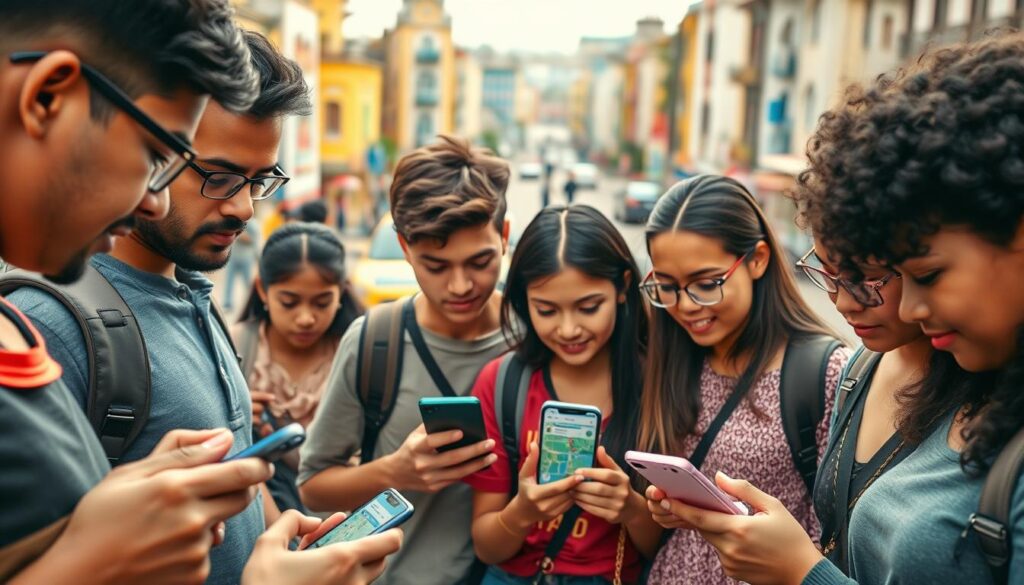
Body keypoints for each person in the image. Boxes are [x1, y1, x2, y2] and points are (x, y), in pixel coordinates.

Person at [5, 30, 402, 584]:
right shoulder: (50, 327)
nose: (243, 208)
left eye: (259, 181)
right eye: (219, 177)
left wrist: (284, 540)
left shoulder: (195, 295)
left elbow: (235, 480)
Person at [657, 35, 1024, 585]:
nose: (912, 307)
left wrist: (803, 573)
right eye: (827, 274)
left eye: (924, 275)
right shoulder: (862, 371)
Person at [0, 0, 274, 581]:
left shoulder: (16, 333)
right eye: (156, 155)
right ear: (46, 98)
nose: (156, 201)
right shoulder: (46, 319)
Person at [299, 135, 513, 585]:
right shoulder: (376, 341)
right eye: (436, 266)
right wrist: (394, 471)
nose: (460, 286)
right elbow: (313, 486)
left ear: (505, 236)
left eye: (479, 262)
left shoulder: (536, 339)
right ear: (404, 246)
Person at [636, 176, 849, 584]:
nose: (685, 305)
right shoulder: (672, 355)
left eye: (706, 284)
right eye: (667, 286)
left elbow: (832, 537)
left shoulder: (823, 372)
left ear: (758, 260)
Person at [465, 205, 659, 584]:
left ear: (622, 288)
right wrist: (521, 512)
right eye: (547, 310)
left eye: (588, 308)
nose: (569, 329)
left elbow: (670, 548)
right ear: (524, 301)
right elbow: (487, 547)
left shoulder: (656, 384)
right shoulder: (501, 383)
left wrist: (632, 509)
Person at [235, 222, 364, 512]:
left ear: (341, 293)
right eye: (289, 302)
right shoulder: (234, 347)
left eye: (322, 302)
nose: (306, 318)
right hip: (258, 517)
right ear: (262, 290)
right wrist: (232, 414)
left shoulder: (361, 352)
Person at [223, 220, 262, 311]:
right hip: (233, 257)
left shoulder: (253, 226)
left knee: (248, 283)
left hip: (246, 259)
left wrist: (258, 259)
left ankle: (252, 304)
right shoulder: (234, 223)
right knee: (229, 281)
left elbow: (254, 242)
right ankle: (227, 304)